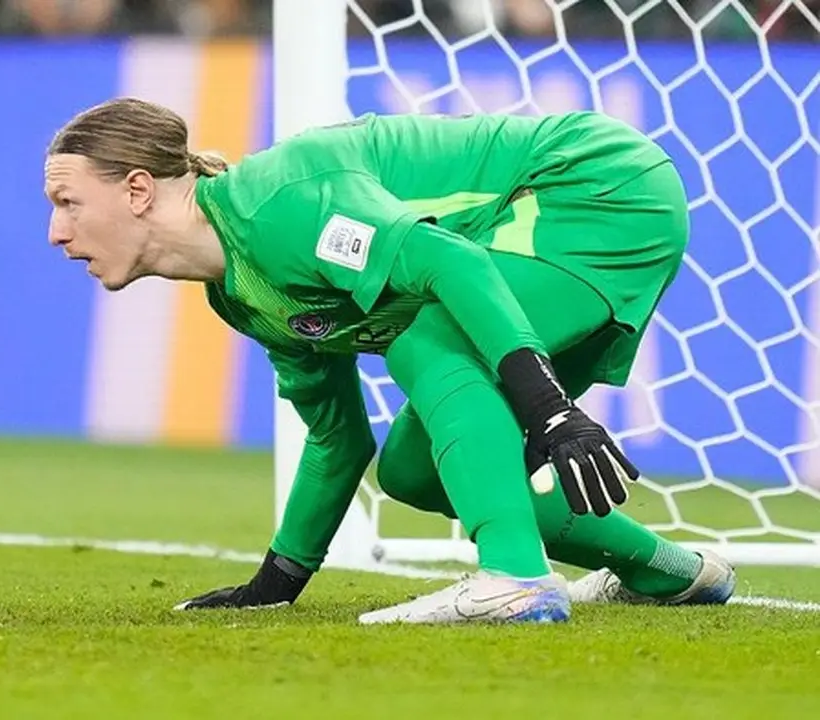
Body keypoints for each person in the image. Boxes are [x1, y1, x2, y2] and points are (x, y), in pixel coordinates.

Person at [42, 97, 737, 624]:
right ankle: (673, 571)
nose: (56, 232)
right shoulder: (240, 296)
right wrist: (274, 586)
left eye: (68, 202)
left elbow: (448, 261)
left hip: (591, 187)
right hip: (561, 223)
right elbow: (337, 439)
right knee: (414, 468)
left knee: (425, 332)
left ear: (136, 189)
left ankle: (517, 578)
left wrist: (546, 407)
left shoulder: (279, 207)